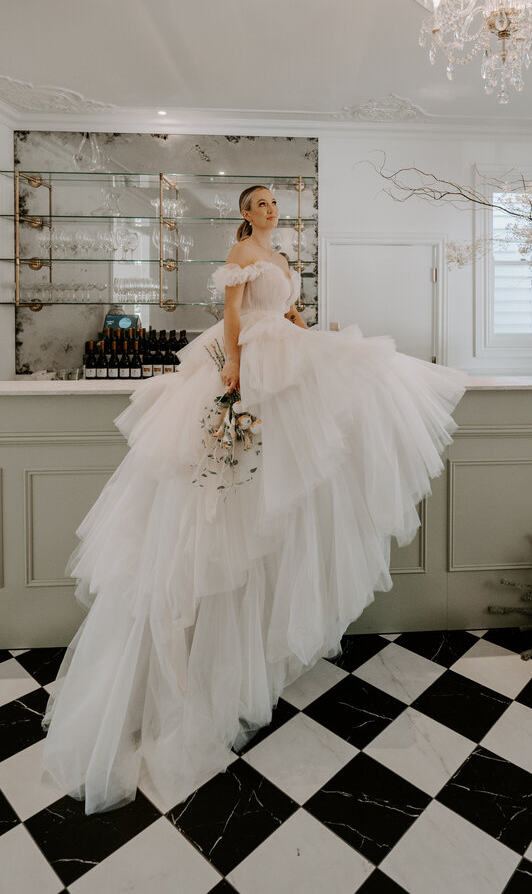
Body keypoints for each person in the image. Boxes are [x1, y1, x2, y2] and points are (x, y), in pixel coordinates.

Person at [42, 185, 465, 814]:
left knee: (312, 451)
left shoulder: (283, 255)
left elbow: (290, 315)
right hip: (250, 365)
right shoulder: (242, 250)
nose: (270, 210)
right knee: (226, 504)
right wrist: (234, 372)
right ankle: (199, 672)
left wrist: (309, 334)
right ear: (245, 211)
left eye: (273, 203)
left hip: (285, 358)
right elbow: (235, 315)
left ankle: (245, 659)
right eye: (261, 203)